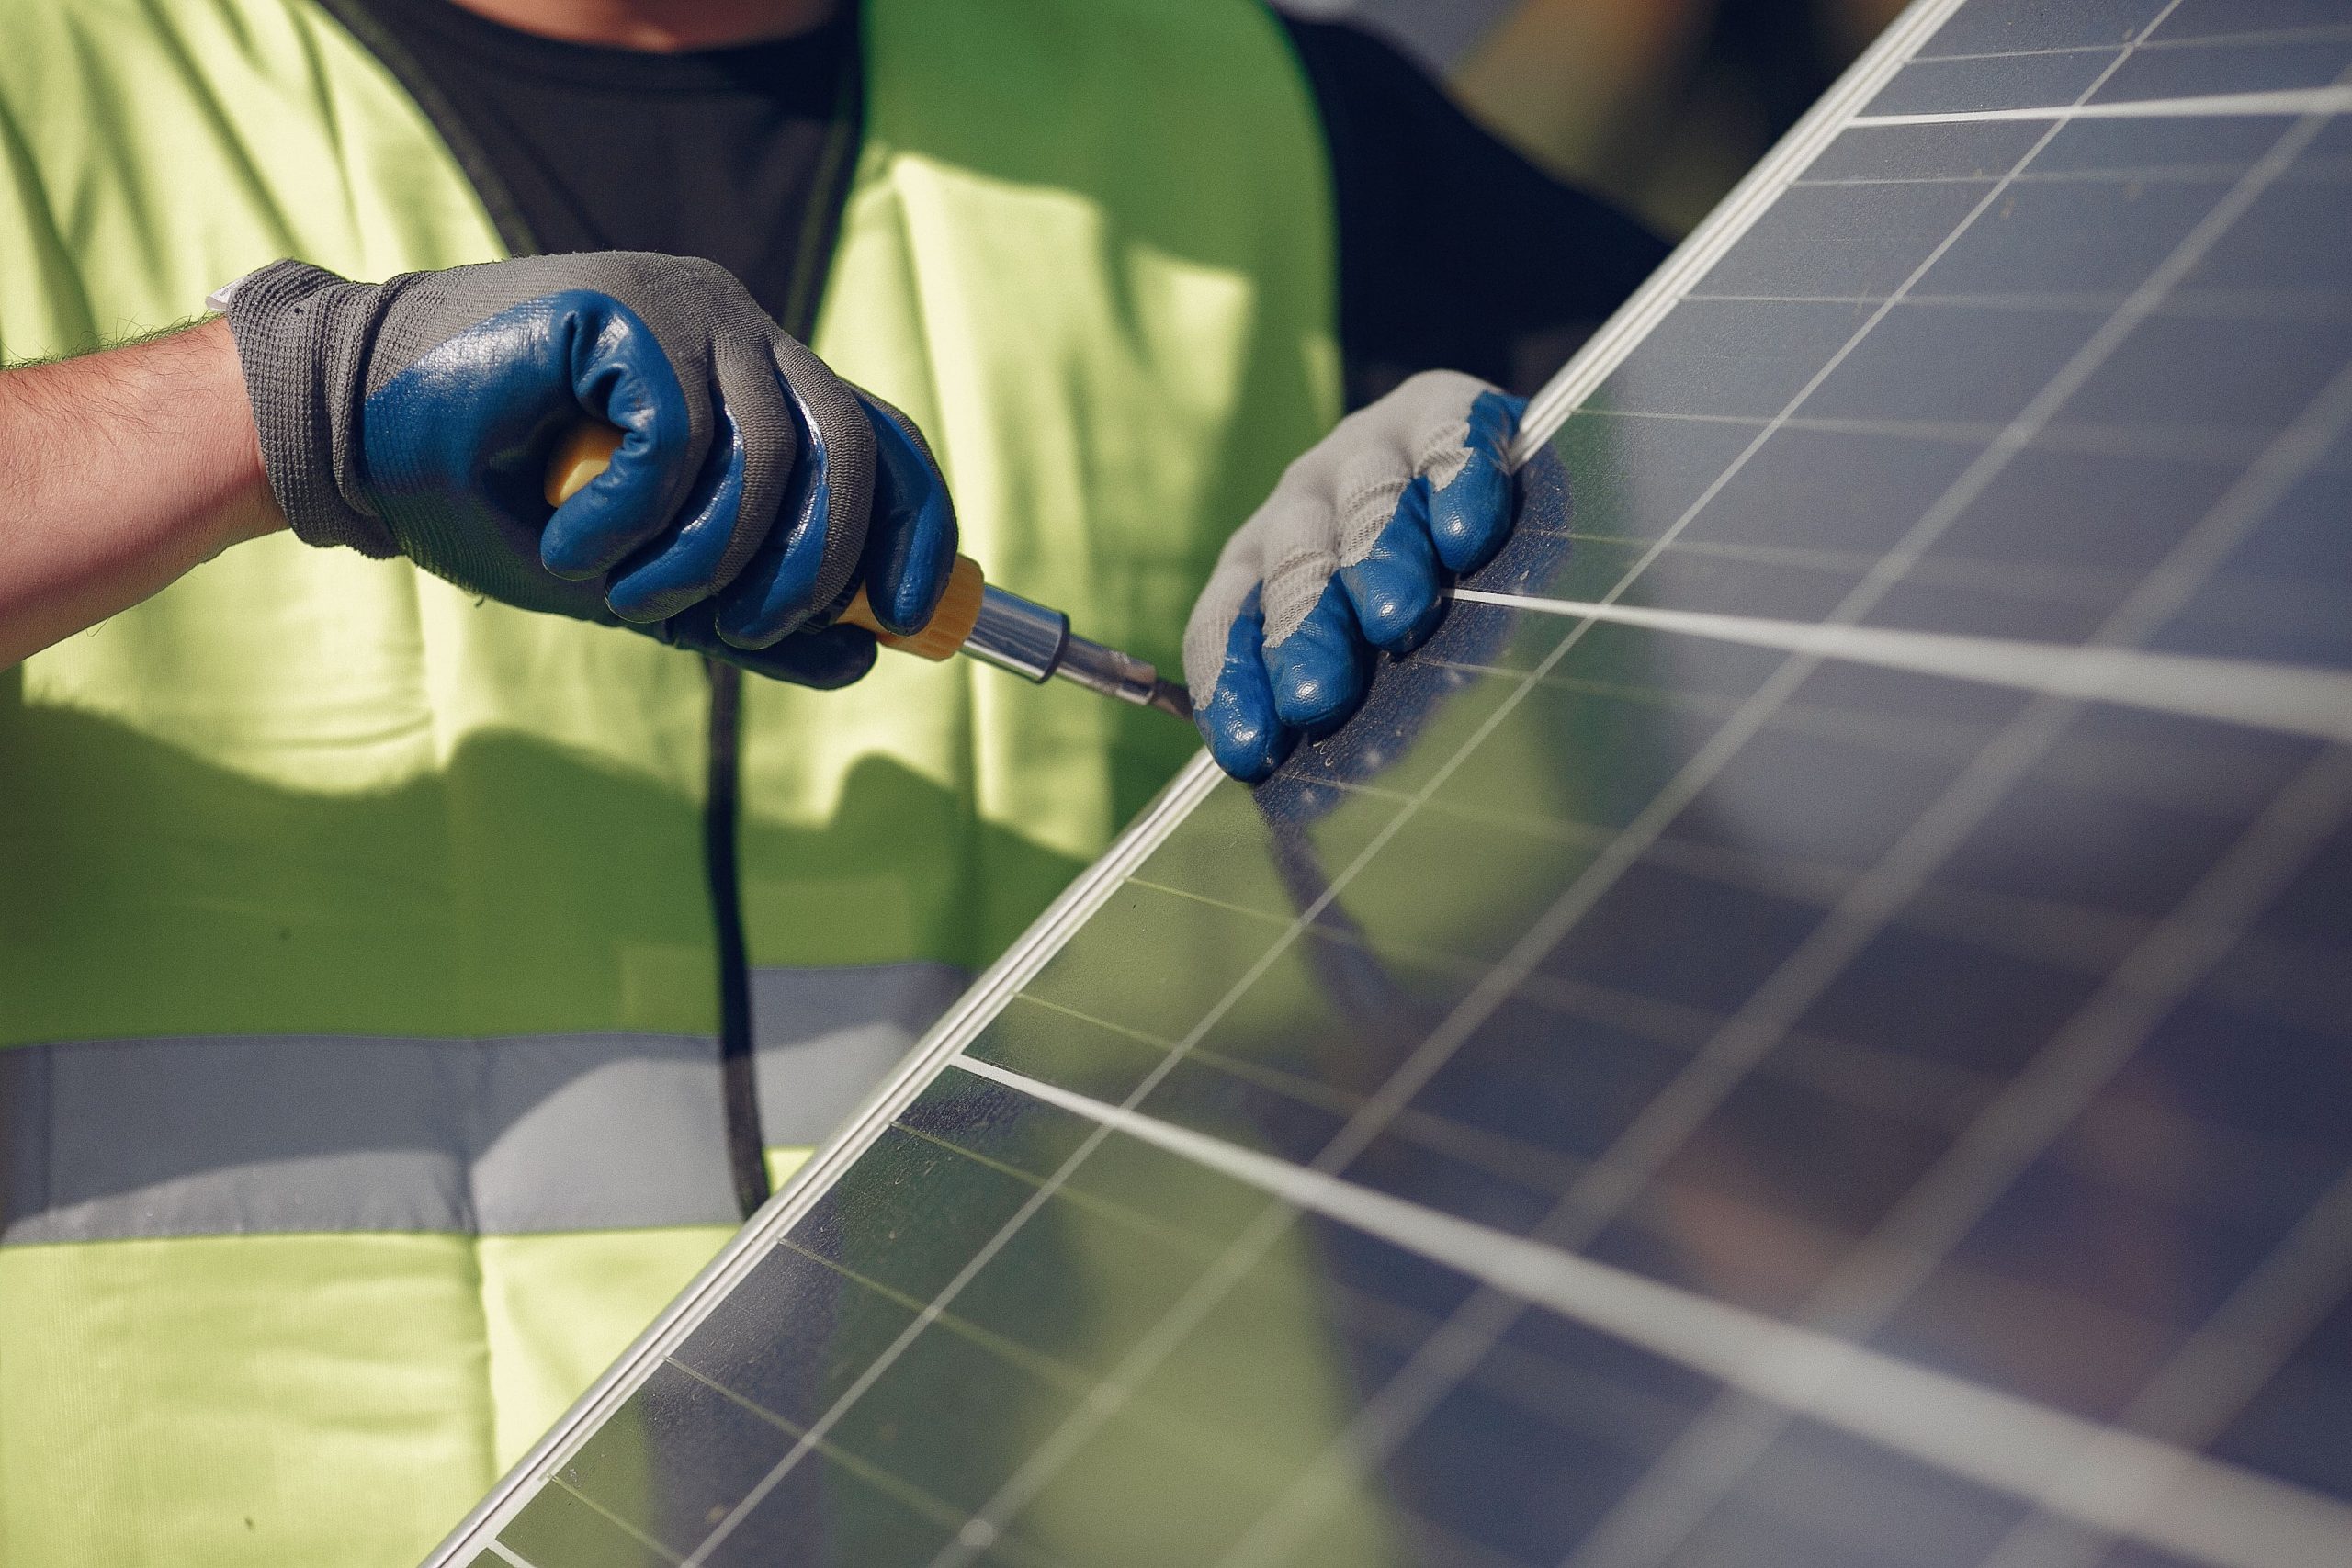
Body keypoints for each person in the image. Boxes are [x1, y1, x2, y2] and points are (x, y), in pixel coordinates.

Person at [0, 0, 1665, 1560]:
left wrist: (1560, 487)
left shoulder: (1262, 119)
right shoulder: (51, 87)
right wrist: (266, 404)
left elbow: (1827, 552)